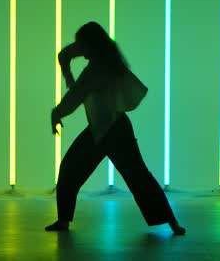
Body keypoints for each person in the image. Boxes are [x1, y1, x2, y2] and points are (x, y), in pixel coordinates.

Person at [46, 21, 186, 235]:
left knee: (72, 172)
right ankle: (172, 223)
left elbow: (75, 95)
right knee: (139, 177)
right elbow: (66, 56)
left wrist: (57, 111)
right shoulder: (108, 61)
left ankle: (64, 220)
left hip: (107, 130)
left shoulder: (97, 69)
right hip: (111, 128)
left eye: (81, 44)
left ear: (91, 45)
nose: (77, 48)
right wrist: (68, 68)